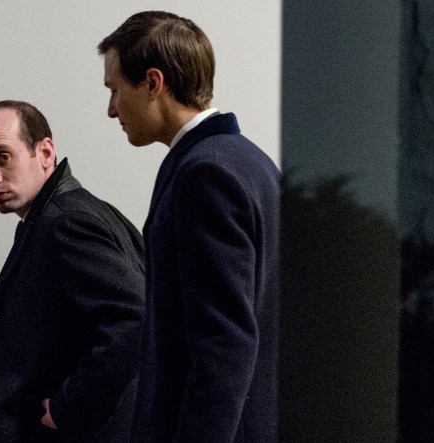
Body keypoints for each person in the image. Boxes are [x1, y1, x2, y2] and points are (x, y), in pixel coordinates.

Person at [98, 11, 280, 442]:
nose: (110, 110)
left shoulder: (205, 175)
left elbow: (224, 346)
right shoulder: (252, 163)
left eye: (115, 90)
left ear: (153, 83)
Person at [0, 100, 145, 442]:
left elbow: (135, 318)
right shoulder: (81, 214)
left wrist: (70, 407)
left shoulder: (66, 222)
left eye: (2, 157)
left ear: (45, 153)